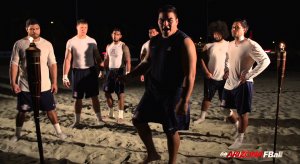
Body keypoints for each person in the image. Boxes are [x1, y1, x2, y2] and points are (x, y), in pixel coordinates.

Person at [125, 5, 197, 163]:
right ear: (158, 22)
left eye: (169, 20)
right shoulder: (154, 41)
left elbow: (190, 74)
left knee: (170, 129)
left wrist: (184, 100)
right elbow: (147, 62)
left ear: (176, 21)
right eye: (162, 20)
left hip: (174, 93)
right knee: (138, 119)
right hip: (153, 90)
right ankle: (152, 153)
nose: (165, 24)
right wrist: (130, 75)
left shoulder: (185, 42)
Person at [9, 18, 66, 141]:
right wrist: (13, 82)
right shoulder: (19, 44)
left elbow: (53, 64)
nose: (34, 31)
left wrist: (55, 82)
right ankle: (17, 134)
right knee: (22, 111)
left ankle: (59, 132)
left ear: (40, 29)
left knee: (50, 110)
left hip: (44, 85)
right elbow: (14, 64)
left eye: (37, 28)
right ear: (26, 29)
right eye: (31, 29)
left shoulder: (47, 44)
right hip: (25, 85)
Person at [221, 19, 270, 149]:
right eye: (232, 27)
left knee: (243, 113)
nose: (233, 29)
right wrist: (226, 69)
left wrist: (249, 75)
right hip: (229, 83)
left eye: (237, 27)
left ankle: (240, 138)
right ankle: (237, 125)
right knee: (224, 109)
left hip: (243, 84)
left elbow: (265, 61)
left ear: (244, 29)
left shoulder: (251, 44)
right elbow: (227, 58)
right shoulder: (230, 44)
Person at [62, 19, 104, 127]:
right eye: (81, 28)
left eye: (86, 28)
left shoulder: (92, 41)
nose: (84, 30)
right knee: (78, 98)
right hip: (77, 72)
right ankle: (77, 121)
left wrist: (102, 68)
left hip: (90, 71)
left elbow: (97, 56)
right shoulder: (71, 41)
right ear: (77, 28)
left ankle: (99, 119)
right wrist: (65, 75)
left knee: (94, 96)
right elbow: (67, 59)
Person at [194, 20, 234, 124]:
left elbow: (231, 60)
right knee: (207, 98)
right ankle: (202, 117)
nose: (215, 35)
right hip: (210, 78)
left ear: (223, 32)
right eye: (214, 33)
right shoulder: (208, 46)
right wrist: (206, 72)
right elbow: (201, 60)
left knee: (224, 100)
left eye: (218, 33)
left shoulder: (229, 45)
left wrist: (228, 72)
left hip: (224, 78)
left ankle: (225, 116)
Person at [103, 27, 131, 123]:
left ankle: (120, 116)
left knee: (120, 94)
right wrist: (102, 70)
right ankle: (111, 112)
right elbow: (106, 60)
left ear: (120, 36)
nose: (115, 36)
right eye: (114, 34)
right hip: (110, 71)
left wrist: (127, 73)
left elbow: (128, 61)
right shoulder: (108, 46)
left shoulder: (123, 46)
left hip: (120, 71)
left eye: (118, 34)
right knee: (107, 93)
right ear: (112, 35)